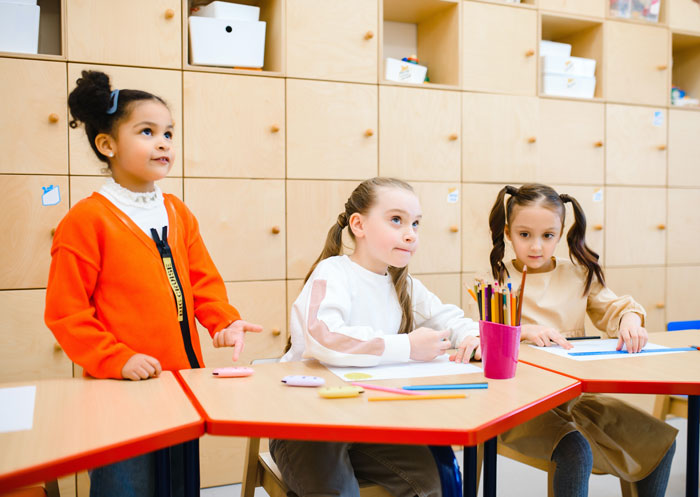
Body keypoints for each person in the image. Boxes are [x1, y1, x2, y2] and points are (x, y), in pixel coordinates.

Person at [45, 70, 262, 496]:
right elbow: (66, 313)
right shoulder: (86, 221)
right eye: (147, 131)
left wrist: (222, 321)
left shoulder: (177, 212)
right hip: (121, 391)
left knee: (180, 486)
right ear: (106, 145)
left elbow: (203, 281)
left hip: (182, 384)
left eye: (168, 133)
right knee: (126, 487)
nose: (164, 143)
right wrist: (117, 358)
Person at [273, 177, 480, 497]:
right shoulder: (333, 272)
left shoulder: (403, 284)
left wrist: (471, 336)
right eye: (396, 220)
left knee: (433, 485)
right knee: (336, 491)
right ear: (359, 224)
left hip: (368, 421)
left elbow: (449, 318)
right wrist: (407, 346)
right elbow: (324, 337)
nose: (410, 233)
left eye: (416, 223)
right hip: (307, 422)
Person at [487, 183, 677, 497]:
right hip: (518, 406)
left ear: (560, 234)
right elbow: (479, 339)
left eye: (548, 236)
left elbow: (618, 308)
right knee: (575, 450)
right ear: (508, 233)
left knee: (659, 441)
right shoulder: (495, 280)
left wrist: (630, 321)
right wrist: (524, 333)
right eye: (524, 235)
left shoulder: (578, 275)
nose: (536, 246)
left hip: (573, 401)